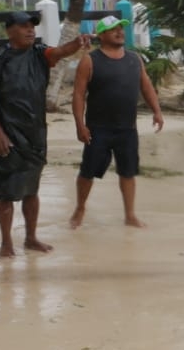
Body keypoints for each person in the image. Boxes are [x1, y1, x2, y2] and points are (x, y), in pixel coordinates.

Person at [0, 11, 90, 258]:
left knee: (31, 190)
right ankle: (6, 243)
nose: (30, 30)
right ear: (9, 31)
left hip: (35, 133)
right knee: (5, 193)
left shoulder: (39, 54)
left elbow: (59, 52)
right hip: (6, 133)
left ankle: (30, 237)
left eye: (32, 26)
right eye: (24, 26)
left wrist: (77, 43)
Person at [69, 15, 164, 229]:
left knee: (128, 172)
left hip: (127, 129)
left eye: (121, 29)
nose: (120, 32)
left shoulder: (134, 59)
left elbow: (146, 86)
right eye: (113, 30)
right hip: (98, 129)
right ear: (101, 35)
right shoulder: (90, 60)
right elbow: (78, 94)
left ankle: (130, 215)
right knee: (88, 172)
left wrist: (157, 111)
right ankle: (80, 208)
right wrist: (79, 125)